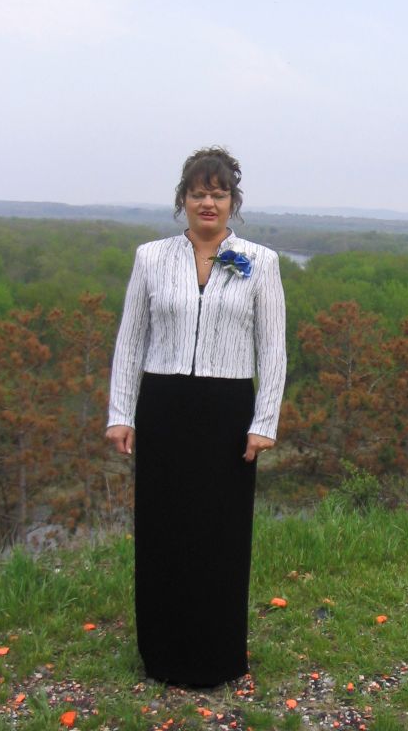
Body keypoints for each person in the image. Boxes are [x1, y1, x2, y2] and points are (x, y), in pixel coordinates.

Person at [105, 147, 286, 687]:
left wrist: (264, 420)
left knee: (220, 536)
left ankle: (215, 656)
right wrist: (121, 412)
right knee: (164, 532)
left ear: (233, 201)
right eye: (198, 192)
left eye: (219, 193)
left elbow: (272, 348)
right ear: (182, 199)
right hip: (164, 407)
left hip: (228, 412)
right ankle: (162, 654)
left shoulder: (262, 262)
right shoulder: (150, 258)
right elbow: (131, 339)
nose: (208, 202)